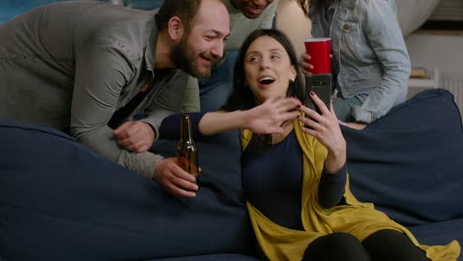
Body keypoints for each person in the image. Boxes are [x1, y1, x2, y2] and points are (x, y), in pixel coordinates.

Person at [158, 29, 460, 260]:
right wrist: (244, 117)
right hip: (293, 239)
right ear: (245, 79)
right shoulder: (235, 125)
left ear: (292, 72)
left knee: (397, 247)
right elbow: (171, 124)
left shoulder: (312, 121)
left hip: (345, 218)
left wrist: (337, 153)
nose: (264, 65)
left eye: (275, 56)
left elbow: (329, 202)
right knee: (346, 249)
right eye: (253, 59)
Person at [0, 0, 230, 179]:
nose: (219, 51)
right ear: (175, 28)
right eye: (211, 37)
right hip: (8, 90)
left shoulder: (180, 55)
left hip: (55, 121)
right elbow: (88, 131)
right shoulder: (117, 47)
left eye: (224, 39)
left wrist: (149, 127)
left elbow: (166, 111)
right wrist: (155, 167)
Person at [293, 0, 411, 129]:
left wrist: (363, 121)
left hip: (375, 102)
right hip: (347, 98)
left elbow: (399, 69)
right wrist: (312, 65)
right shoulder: (316, 3)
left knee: (300, 126)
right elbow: (338, 67)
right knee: (295, 119)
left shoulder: (371, 3)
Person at [183, 0, 280, 113]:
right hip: (183, 67)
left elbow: (259, 49)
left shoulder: (270, 3)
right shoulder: (198, 2)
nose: (260, 2)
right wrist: (191, 113)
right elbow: (185, 55)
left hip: (219, 67)